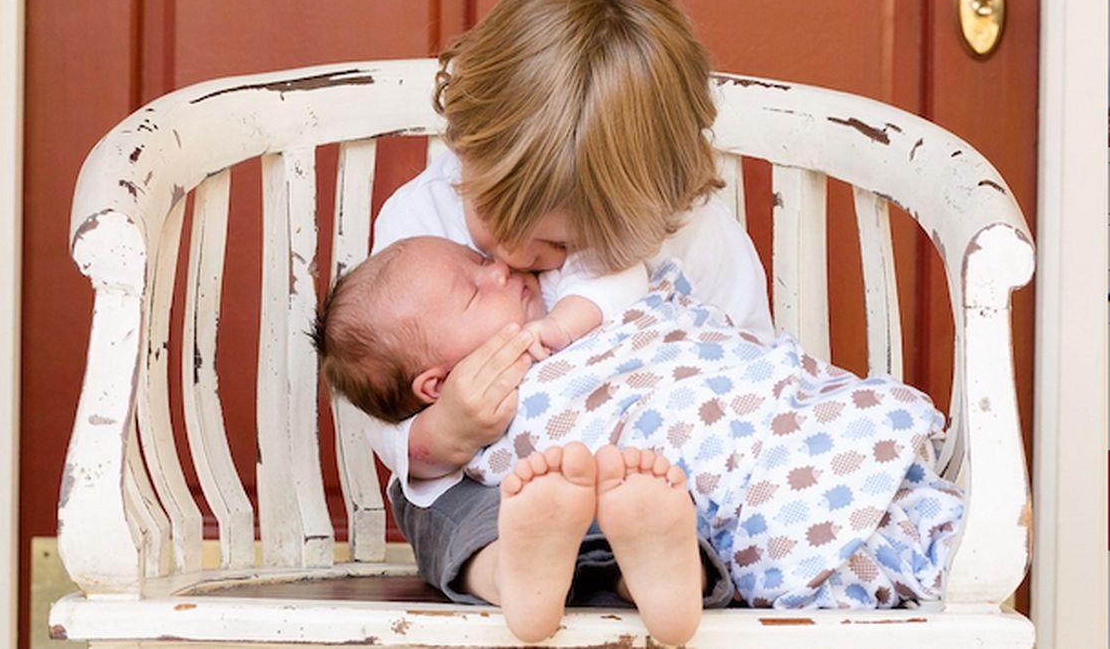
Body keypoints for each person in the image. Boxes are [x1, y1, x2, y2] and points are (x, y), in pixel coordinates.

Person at [319, 0, 772, 643]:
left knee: (694, 507)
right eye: (488, 221)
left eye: (558, 243)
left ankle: (661, 569)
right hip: (507, 490)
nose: (508, 256)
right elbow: (382, 379)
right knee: (439, 506)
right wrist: (438, 433)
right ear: (465, 145)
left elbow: (748, 366)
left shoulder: (694, 235)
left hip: (655, 477)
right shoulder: (421, 217)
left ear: (649, 205)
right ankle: (513, 571)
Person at [320, 236, 964, 615]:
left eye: (478, 259)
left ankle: (654, 565)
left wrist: (565, 323)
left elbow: (640, 294)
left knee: (669, 468)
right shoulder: (422, 251)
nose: (500, 268)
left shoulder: (568, 285)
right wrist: (455, 422)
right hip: (644, 476)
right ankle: (639, 566)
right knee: (587, 484)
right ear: (435, 383)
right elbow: (414, 458)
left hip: (751, 416)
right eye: (473, 289)